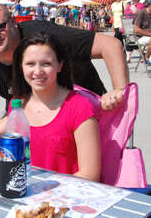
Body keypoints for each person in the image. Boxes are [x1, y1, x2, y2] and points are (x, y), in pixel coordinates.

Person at [0, 2, 128, 112]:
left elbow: (111, 45)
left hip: (87, 110)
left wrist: (119, 93)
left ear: (13, 22)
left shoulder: (46, 36)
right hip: (39, 122)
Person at [11, 32, 100, 181]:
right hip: (24, 196)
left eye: (46, 64)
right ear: (20, 66)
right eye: (30, 64)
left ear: (60, 65)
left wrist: (43, 190)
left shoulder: (79, 107)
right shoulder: (17, 105)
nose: (38, 72)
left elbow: (90, 174)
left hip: (66, 198)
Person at [133, 0, 151, 64]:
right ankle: (146, 58)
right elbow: (136, 30)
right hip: (140, 37)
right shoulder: (141, 13)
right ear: (149, 5)